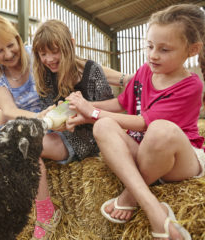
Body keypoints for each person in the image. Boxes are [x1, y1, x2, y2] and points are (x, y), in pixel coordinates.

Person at [0, 14, 131, 239]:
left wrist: (126, 80)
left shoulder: (48, 59)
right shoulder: (28, 73)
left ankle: (45, 214)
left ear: (18, 40)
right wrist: (51, 116)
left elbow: (87, 75)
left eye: (10, 46)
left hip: (78, 132)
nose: (7, 54)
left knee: (25, 143)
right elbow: (15, 110)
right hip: (43, 123)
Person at [66, 4, 205, 239]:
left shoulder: (191, 85)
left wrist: (92, 112)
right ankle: (154, 208)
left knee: (160, 129)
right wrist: (80, 107)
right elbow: (120, 103)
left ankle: (134, 199)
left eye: (164, 49)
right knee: (102, 126)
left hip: (177, 161)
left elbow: (144, 123)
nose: (153, 54)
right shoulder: (144, 71)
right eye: (149, 46)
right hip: (143, 154)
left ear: (192, 50)